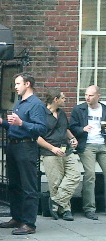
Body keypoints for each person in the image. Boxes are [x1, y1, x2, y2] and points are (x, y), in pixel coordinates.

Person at [0, 72, 47, 234]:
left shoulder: (36, 104)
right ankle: (17, 217)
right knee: (14, 184)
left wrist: (21, 122)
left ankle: (29, 223)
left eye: (17, 84)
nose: (15, 87)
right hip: (13, 145)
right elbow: (15, 126)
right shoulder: (19, 103)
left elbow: (41, 128)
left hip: (26, 147)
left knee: (28, 186)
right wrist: (2, 122)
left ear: (27, 84)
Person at [38, 89, 81, 221]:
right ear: (55, 99)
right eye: (63, 98)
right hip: (50, 152)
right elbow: (37, 137)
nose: (65, 99)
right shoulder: (41, 114)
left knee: (75, 175)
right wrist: (53, 149)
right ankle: (65, 209)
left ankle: (55, 202)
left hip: (66, 150)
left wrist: (72, 139)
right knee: (56, 182)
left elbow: (65, 129)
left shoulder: (61, 113)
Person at [69, 85, 106, 220]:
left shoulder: (104, 109)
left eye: (90, 95)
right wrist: (82, 129)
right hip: (87, 144)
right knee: (90, 174)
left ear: (98, 96)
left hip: (103, 144)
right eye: (86, 95)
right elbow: (71, 127)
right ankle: (89, 208)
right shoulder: (79, 109)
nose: (87, 98)